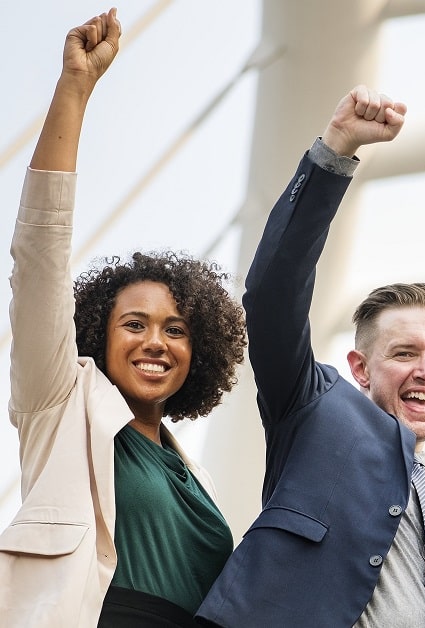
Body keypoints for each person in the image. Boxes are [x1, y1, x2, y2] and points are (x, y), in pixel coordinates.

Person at [0, 8, 248, 627]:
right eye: (134, 323)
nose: (155, 342)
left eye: (176, 329)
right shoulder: (60, 405)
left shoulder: (197, 476)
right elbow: (40, 258)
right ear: (98, 336)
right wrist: (75, 90)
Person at [196, 85, 425, 628]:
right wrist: (335, 152)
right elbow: (273, 295)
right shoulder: (314, 406)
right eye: (405, 353)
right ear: (359, 368)